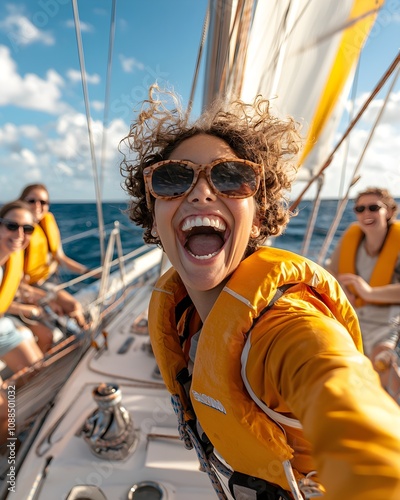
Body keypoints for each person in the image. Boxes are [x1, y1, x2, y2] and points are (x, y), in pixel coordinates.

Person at [121, 86, 400, 500]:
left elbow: (341, 392)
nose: (201, 192)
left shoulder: (289, 329)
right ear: (153, 213)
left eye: (231, 178)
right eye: (173, 178)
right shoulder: (184, 317)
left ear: (259, 218)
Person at [327, 188, 400, 362]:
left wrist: (369, 293)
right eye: (360, 209)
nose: (366, 213)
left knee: (383, 360)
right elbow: (331, 272)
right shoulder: (352, 237)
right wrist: (343, 290)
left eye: (373, 208)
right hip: (351, 316)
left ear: (389, 211)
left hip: (385, 322)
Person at [18, 184, 90, 328]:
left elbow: (60, 257)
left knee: (74, 307)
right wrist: (47, 299)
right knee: (54, 320)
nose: (37, 205)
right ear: (22, 202)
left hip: (46, 282)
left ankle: (90, 337)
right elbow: (16, 282)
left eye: (43, 202)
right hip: (25, 289)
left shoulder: (45, 223)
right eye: (31, 201)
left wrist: (91, 273)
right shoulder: (16, 233)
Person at [0, 200, 50, 368]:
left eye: (27, 229)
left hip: (2, 328)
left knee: (38, 371)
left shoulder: (10, 259)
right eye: (11, 226)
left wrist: (49, 297)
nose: (20, 234)